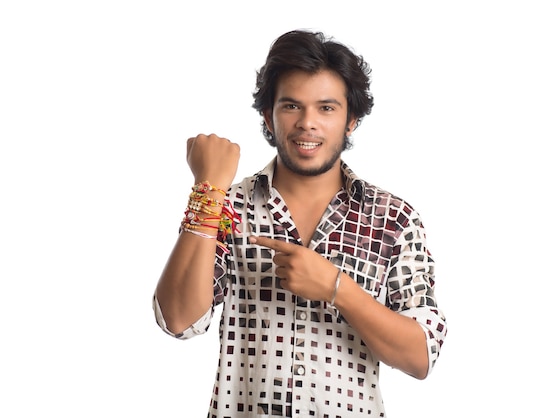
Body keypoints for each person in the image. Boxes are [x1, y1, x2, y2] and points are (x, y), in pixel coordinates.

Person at [153, 29, 447, 417]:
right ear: (268, 118)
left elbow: (420, 355)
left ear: (351, 120)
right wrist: (209, 191)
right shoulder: (229, 205)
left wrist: (335, 288)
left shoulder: (393, 217)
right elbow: (178, 320)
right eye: (291, 106)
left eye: (326, 108)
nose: (308, 123)